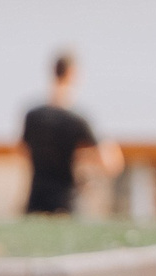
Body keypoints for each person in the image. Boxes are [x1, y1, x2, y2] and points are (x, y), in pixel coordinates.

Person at [22, 51, 122, 216]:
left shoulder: (32, 116)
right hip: (67, 204)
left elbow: (23, 152)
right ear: (72, 73)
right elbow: (111, 164)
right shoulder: (77, 121)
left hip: (35, 202)